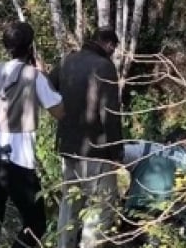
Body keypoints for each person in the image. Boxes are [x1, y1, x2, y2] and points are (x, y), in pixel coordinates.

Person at [0, 21, 65, 248]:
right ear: (30, 47)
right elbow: (60, 112)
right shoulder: (34, 76)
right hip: (19, 162)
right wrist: (46, 77)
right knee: (36, 224)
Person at [49, 27, 124, 248]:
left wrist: (63, 115)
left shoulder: (67, 61)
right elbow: (110, 114)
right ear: (109, 44)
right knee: (100, 209)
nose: (113, 52)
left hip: (68, 148)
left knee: (69, 206)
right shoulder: (105, 67)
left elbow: (46, 88)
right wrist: (116, 152)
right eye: (114, 48)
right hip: (96, 151)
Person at [120, 128, 186, 244]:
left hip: (134, 219)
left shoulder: (145, 148)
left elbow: (115, 155)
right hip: (169, 222)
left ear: (167, 142)